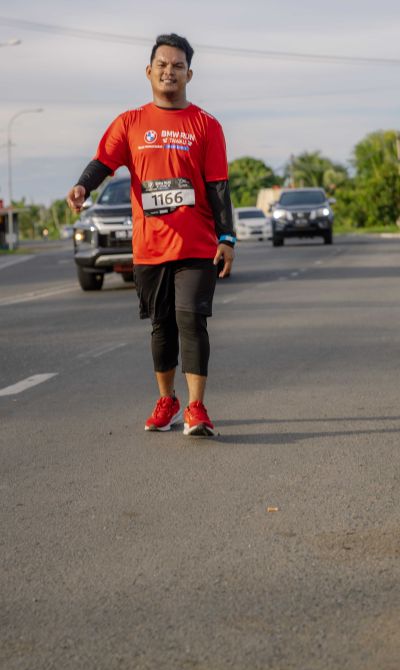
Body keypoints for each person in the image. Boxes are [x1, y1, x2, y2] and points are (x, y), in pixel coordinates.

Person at [67, 33, 236, 436]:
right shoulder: (130, 123)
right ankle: (168, 400)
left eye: (178, 65)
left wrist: (226, 238)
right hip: (150, 247)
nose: (169, 71)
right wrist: (82, 186)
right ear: (149, 71)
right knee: (161, 326)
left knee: (191, 320)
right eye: (162, 64)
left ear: (189, 74)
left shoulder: (206, 125)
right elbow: (103, 162)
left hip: (196, 245)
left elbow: (218, 186)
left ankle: (196, 407)